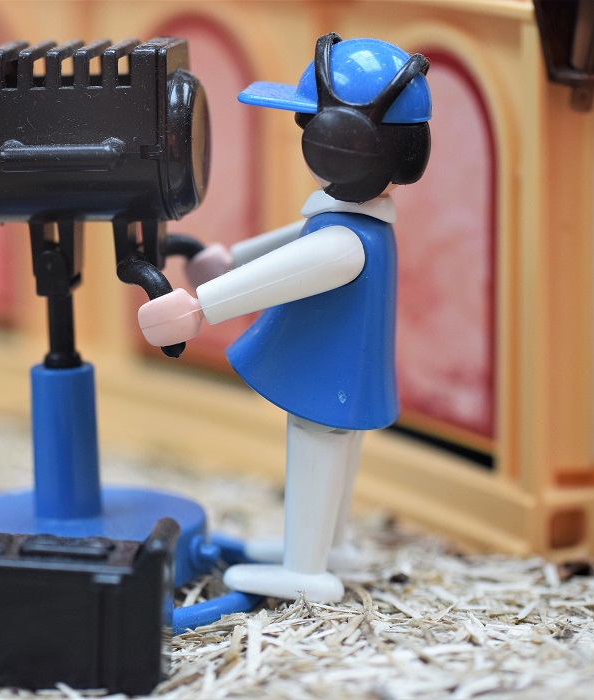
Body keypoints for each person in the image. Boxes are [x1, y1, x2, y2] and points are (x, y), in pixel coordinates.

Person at [137, 33, 432, 601]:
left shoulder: (346, 242)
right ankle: (328, 546)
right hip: (346, 374)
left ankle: (304, 568)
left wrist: (200, 307)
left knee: (316, 447)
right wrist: (229, 261)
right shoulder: (358, 223)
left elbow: (291, 268)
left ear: (336, 146)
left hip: (325, 373)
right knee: (337, 451)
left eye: (309, 128)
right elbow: (290, 246)